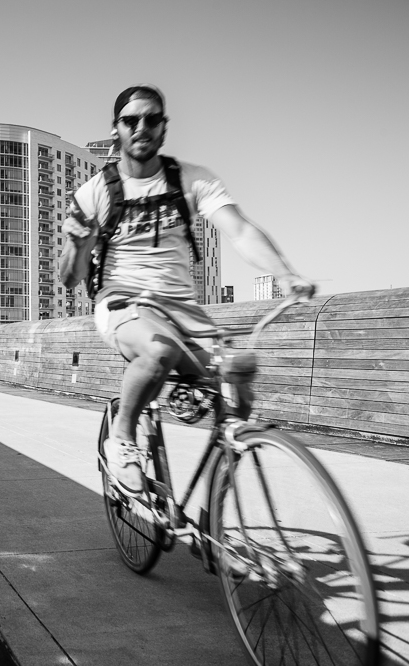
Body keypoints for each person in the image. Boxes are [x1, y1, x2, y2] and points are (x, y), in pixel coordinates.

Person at [63, 84, 314, 495]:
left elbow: (240, 230)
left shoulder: (191, 180)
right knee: (158, 350)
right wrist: (75, 241)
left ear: (164, 127)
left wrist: (284, 272)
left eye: (152, 119)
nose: (141, 127)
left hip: (182, 310)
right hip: (123, 303)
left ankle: (215, 502)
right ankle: (123, 439)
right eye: (131, 120)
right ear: (116, 130)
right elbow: (70, 278)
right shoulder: (95, 193)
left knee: (238, 381)